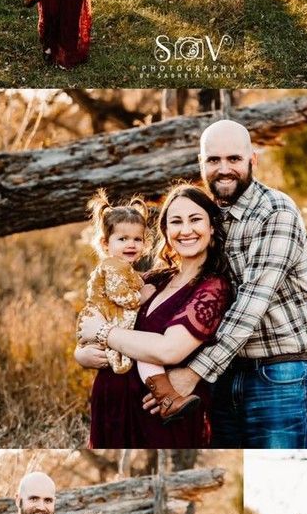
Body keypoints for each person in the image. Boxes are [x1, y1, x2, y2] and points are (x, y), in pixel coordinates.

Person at [145, 119, 307, 449]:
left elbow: (252, 303)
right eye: (213, 160)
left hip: (280, 373)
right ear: (201, 164)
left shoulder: (275, 210)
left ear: (252, 160)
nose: (224, 169)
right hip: (224, 376)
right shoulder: (206, 218)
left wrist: (192, 374)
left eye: (234, 159)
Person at [76, 184, 233, 449]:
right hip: (114, 406)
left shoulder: (212, 287)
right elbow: (97, 318)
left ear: (212, 228)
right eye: (176, 221)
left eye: (195, 220)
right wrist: (80, 354)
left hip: (159, 416)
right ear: (166, 231)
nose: (185, 230)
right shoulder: (154, 279)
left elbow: (168, 351)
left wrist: (103, 333)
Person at [77, 191, 198, 420]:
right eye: (122, 239)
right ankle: (167, 398)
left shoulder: (128, 270)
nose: (131, 244)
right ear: (105, 243)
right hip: (108, 321)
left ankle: (167, 398)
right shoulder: (112, 267)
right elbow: (120, 296)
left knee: (144, 353)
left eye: (137, 239)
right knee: (146, 353)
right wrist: (141, 297)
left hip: (111, 327)